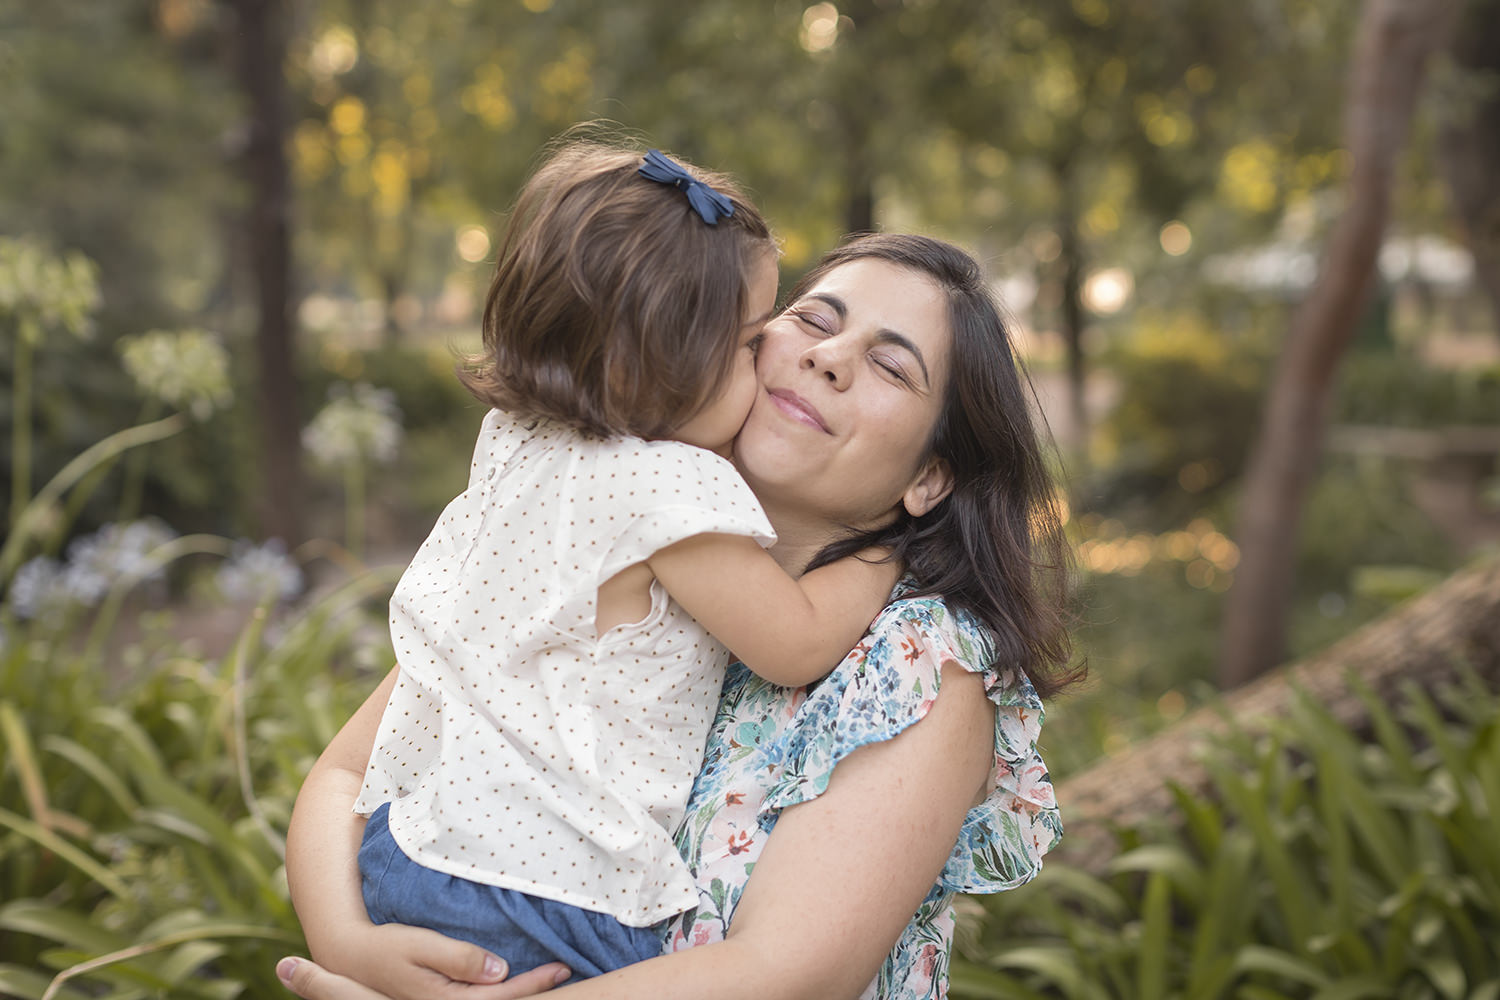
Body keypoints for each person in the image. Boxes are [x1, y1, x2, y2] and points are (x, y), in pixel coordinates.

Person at [281, 233, 1078, 1000]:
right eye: (813, 319)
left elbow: (786, 975)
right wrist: (348, 945)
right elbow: (350, 770)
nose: (828, 359)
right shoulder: (594, 549)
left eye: (889, 366)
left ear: (930, 480)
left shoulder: (920, 667)